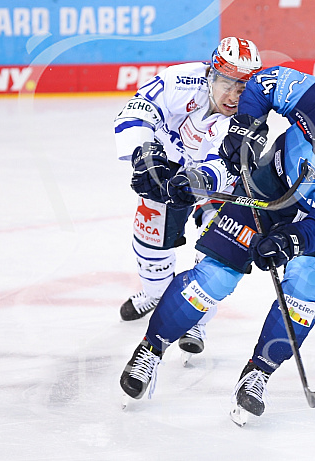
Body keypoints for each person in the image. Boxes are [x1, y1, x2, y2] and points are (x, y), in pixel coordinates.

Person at [119, 68, 315, 421]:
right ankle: (150, 350)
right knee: (215, 278)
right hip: (270, 185)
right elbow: (261, 84)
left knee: (305, 290)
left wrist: (290, 241)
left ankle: (258, 373)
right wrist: (246, 126)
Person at [113, 37, 263, 355]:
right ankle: (156, 293)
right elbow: (139, 108)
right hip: (166, 167)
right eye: (227, 83)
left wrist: (197, 182)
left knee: (217, 250)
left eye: (243, 88)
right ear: (211, 74)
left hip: (215, 183)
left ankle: (195, 318)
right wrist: (142, 153)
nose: (234, 96)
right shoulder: (181, 79)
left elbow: (228, 161)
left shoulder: (250, 114)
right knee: (149, 243)